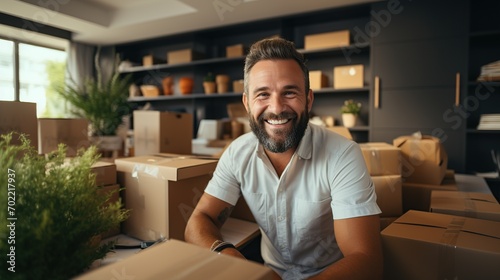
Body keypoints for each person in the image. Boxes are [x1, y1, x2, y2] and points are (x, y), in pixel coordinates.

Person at [184, 37, 383, 280]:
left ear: (308, 100)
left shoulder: (342, 155)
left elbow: (366, 259)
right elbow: (199, 220)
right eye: (263, 94)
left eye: (289, 92)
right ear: (247, 103)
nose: (276, 108)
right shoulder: (237, 153)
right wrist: (229, 256)